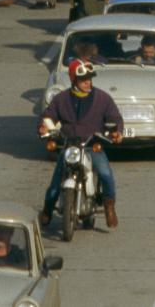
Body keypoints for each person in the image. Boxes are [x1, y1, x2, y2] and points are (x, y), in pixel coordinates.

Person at [39, 59, 124, 228]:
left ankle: (109, 207)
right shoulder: (61, 99)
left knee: (106, 174)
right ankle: (47, 210)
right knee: (55, 185)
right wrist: (44, 128)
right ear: (73, 80)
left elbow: (115, 118)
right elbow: (48, 117)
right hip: (69, 146)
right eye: (83, 79)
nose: (87, 82)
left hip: (91, 145)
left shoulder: (102, 98)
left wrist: (117, 132)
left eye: (89, 78)